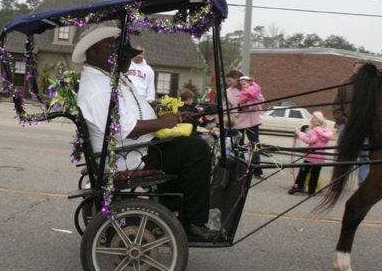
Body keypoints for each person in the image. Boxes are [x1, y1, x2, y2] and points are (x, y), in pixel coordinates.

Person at [73, 27, 216, 239]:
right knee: (197, 149)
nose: (116, 51)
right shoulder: (98, 87)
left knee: (188, 142)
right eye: (110, 47)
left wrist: (166, 116)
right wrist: (160, 123)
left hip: (134, 149)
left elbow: (131, 111)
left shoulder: (109, 78)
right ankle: (191, 222)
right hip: (126, 156)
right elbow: (123, 129)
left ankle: (172, 210)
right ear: (93, 52)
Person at [333, 59, 370, 185]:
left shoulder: (372, 85)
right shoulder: (345, 84)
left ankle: (363, 184)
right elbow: (337, 105)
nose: (359, 71)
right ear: (353, 69)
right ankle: (338, 182)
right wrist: (342, 121)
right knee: (343, 155)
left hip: (365, 127)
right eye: (358, 68)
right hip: (347, 125)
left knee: (365, 156)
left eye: (362, 69)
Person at [225, 70, 264, 178]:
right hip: (238, 121)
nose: (229, 83)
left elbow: (261, 100)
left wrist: (248, 105)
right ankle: (242, 169)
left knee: (254, 146)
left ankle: (257, 170)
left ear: (237, 78)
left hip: (253, 121)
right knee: (238, 146)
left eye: (230, 80)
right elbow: (226, 107)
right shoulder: (229, 92)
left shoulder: (253, 87)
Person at [288, 112, 332, 195]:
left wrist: (299, 133)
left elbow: (307, 139)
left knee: (303, 173)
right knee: (315, 174)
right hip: (321, 157)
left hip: (311, 156)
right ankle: (312, 191)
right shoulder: (326, 132)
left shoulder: (315, 131)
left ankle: (297, 186)